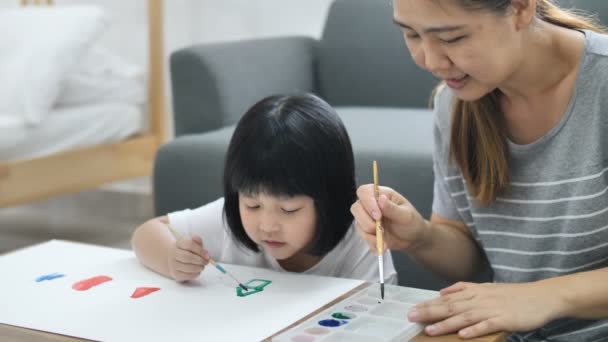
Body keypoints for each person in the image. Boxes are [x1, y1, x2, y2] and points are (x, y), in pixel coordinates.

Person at [351, 0, 608, 340]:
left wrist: (543, 296)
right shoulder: (454, 104)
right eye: (411, 34)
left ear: (520, 8)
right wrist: (419, 236)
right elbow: (468, 259)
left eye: (453, 38)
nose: (428, 61)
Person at [132, 93, 397, 286]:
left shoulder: (361, 237)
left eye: (288, 209)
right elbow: (146, 233)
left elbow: (381, 311)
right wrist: (170, 258)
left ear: (330, 197)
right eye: (253, 205)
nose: (267, 225)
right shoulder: (228, 220)